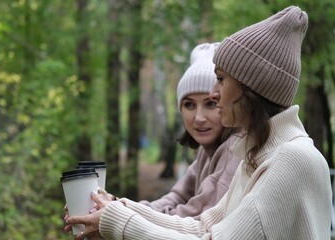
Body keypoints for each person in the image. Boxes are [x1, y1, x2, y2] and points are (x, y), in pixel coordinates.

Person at [66, 6, 332, 240]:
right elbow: (201, 226)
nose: (214, 93)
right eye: (189, 104)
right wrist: (116, 209)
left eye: (221, 79)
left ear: (251, 88)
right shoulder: (257, 155)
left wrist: (117, 221)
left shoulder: (291, 159)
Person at [63, 42, 240, 235]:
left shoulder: (235, 151)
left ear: (226, 103)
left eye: (211, 104)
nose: (198, 117)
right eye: (189, 105)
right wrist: (112, 205)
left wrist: (116, 214)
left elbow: (192, 218)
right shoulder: (206, 154)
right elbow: (175, 198)